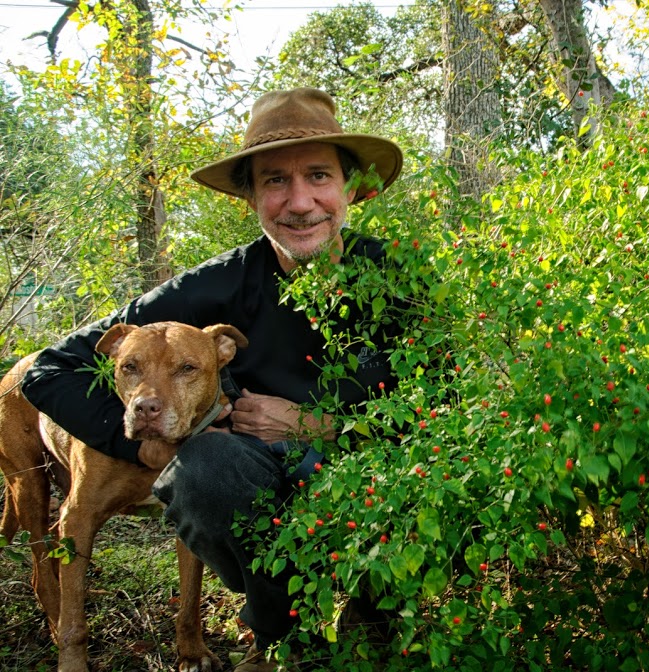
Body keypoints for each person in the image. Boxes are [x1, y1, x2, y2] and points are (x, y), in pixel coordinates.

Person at [21, 87, 406, 671]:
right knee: (205, 470)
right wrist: (138, 438)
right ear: (251, 196)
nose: (300, 202)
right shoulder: (210, 288)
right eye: (275, 180)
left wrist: (322, 423)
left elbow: (446, 399)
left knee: (417, 466)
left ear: (352, 187)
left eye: (320, 176)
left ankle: (372, 610)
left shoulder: (398, 279)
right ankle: (282, 634)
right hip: (255, 477)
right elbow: (49, 369)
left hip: (357, 469)